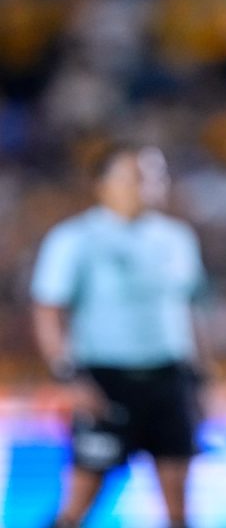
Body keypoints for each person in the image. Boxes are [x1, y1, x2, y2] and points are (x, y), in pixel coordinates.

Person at [30, 143, 209, 528]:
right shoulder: (75, 238)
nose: (148, 185)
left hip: (168, 379)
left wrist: (198, 379)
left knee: (179, 509)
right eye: (136, 176)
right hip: (105, 382)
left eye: (155, 176)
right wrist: (69, 377)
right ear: (103, 184)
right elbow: (49, 312)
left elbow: (189, 310)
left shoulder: (177, 238)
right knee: (79, 503)